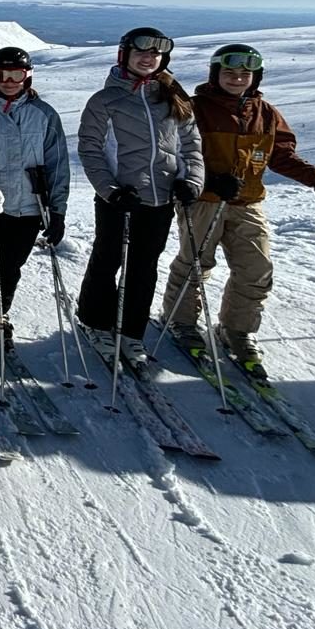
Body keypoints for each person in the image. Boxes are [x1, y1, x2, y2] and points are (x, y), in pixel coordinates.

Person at [158, 43, 315, 375]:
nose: (237, 79)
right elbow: (174, 152)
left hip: (248, 201)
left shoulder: (266, 113)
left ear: (256, 77)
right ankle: (180, 321)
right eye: (229, 73)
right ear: (215, 74)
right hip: (204, 200)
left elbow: (282, 156)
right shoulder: (195, 108)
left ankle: (235, 329)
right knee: (195, 263)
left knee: (257, 270)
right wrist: (208, 182)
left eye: (245, 74)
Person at [76, 27, 204, 371]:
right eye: (140, 53)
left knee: (144, 267)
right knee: (107, 260)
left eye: (155, 55)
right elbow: (90, 150)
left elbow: (191, 146)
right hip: (119, 198)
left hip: (160, 200)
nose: (148, 59)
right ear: (125, 56)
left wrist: (191, 181)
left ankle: (131, 330)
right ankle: (96, 322)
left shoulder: (175, 99)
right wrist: (111, 190)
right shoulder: (105, 101)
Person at [0, 47, 71, 338]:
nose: (9, 81)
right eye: (2, 74)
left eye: (16, 75)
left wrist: (57, 210)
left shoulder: (44, 114)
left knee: (12, 263)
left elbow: (58, 164)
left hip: (30, 204)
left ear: (27, 77)